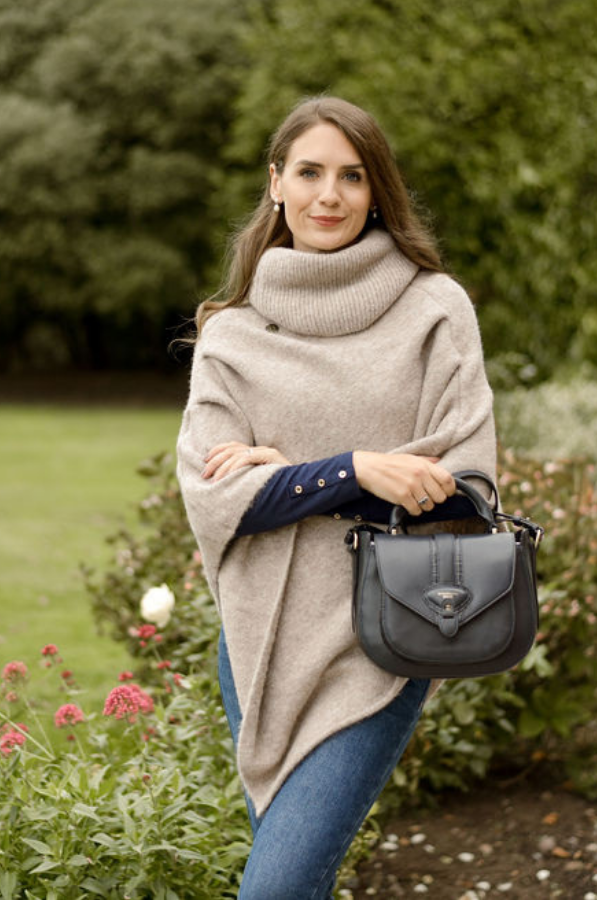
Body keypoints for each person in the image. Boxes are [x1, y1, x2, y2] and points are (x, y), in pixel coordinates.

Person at [176, 96, 496, 898]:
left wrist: (293, 475)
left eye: (352, 176)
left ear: (377, 189)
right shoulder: (233, 334)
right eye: (310, 172)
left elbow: (469, 492)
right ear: (275, 183)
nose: (330, 195)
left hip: (383, 642)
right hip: (260, 644)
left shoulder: (434, 310)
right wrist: (353, 468)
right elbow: (216, 495)